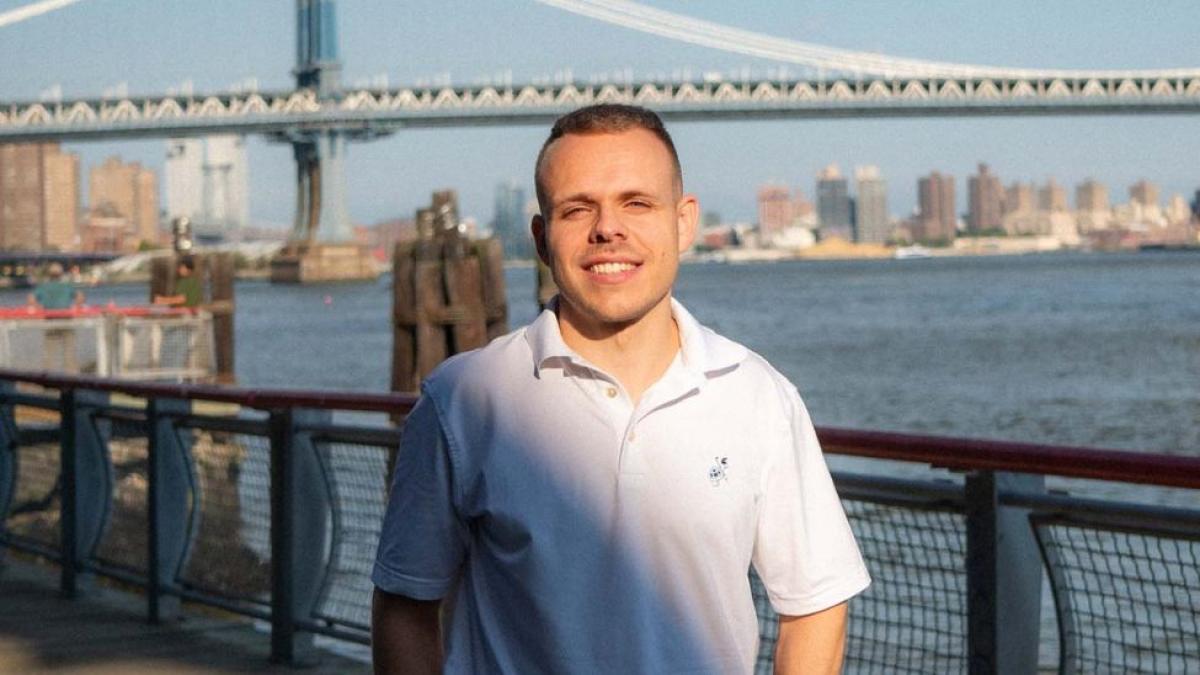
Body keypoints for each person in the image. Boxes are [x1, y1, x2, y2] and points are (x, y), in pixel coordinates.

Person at [371, 104, 870, 674]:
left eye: (637, 203)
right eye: (577, 208)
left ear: (684, 223)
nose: (608, 228)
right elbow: (405, 606)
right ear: (540, 237)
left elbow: (817, 602)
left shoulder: (759, 396)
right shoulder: (464, 401)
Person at [28, 262, 85, 372]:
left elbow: (31, 299)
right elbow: (80, 297)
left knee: (49, 354)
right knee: (69, 353)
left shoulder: (43, 287)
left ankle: (49, 379)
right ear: (61, 274)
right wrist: (75, 307)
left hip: (50, 321)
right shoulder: (67, 285)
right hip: (66, 320)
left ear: (49, 274)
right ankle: (71, 379)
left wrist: (39, 309)